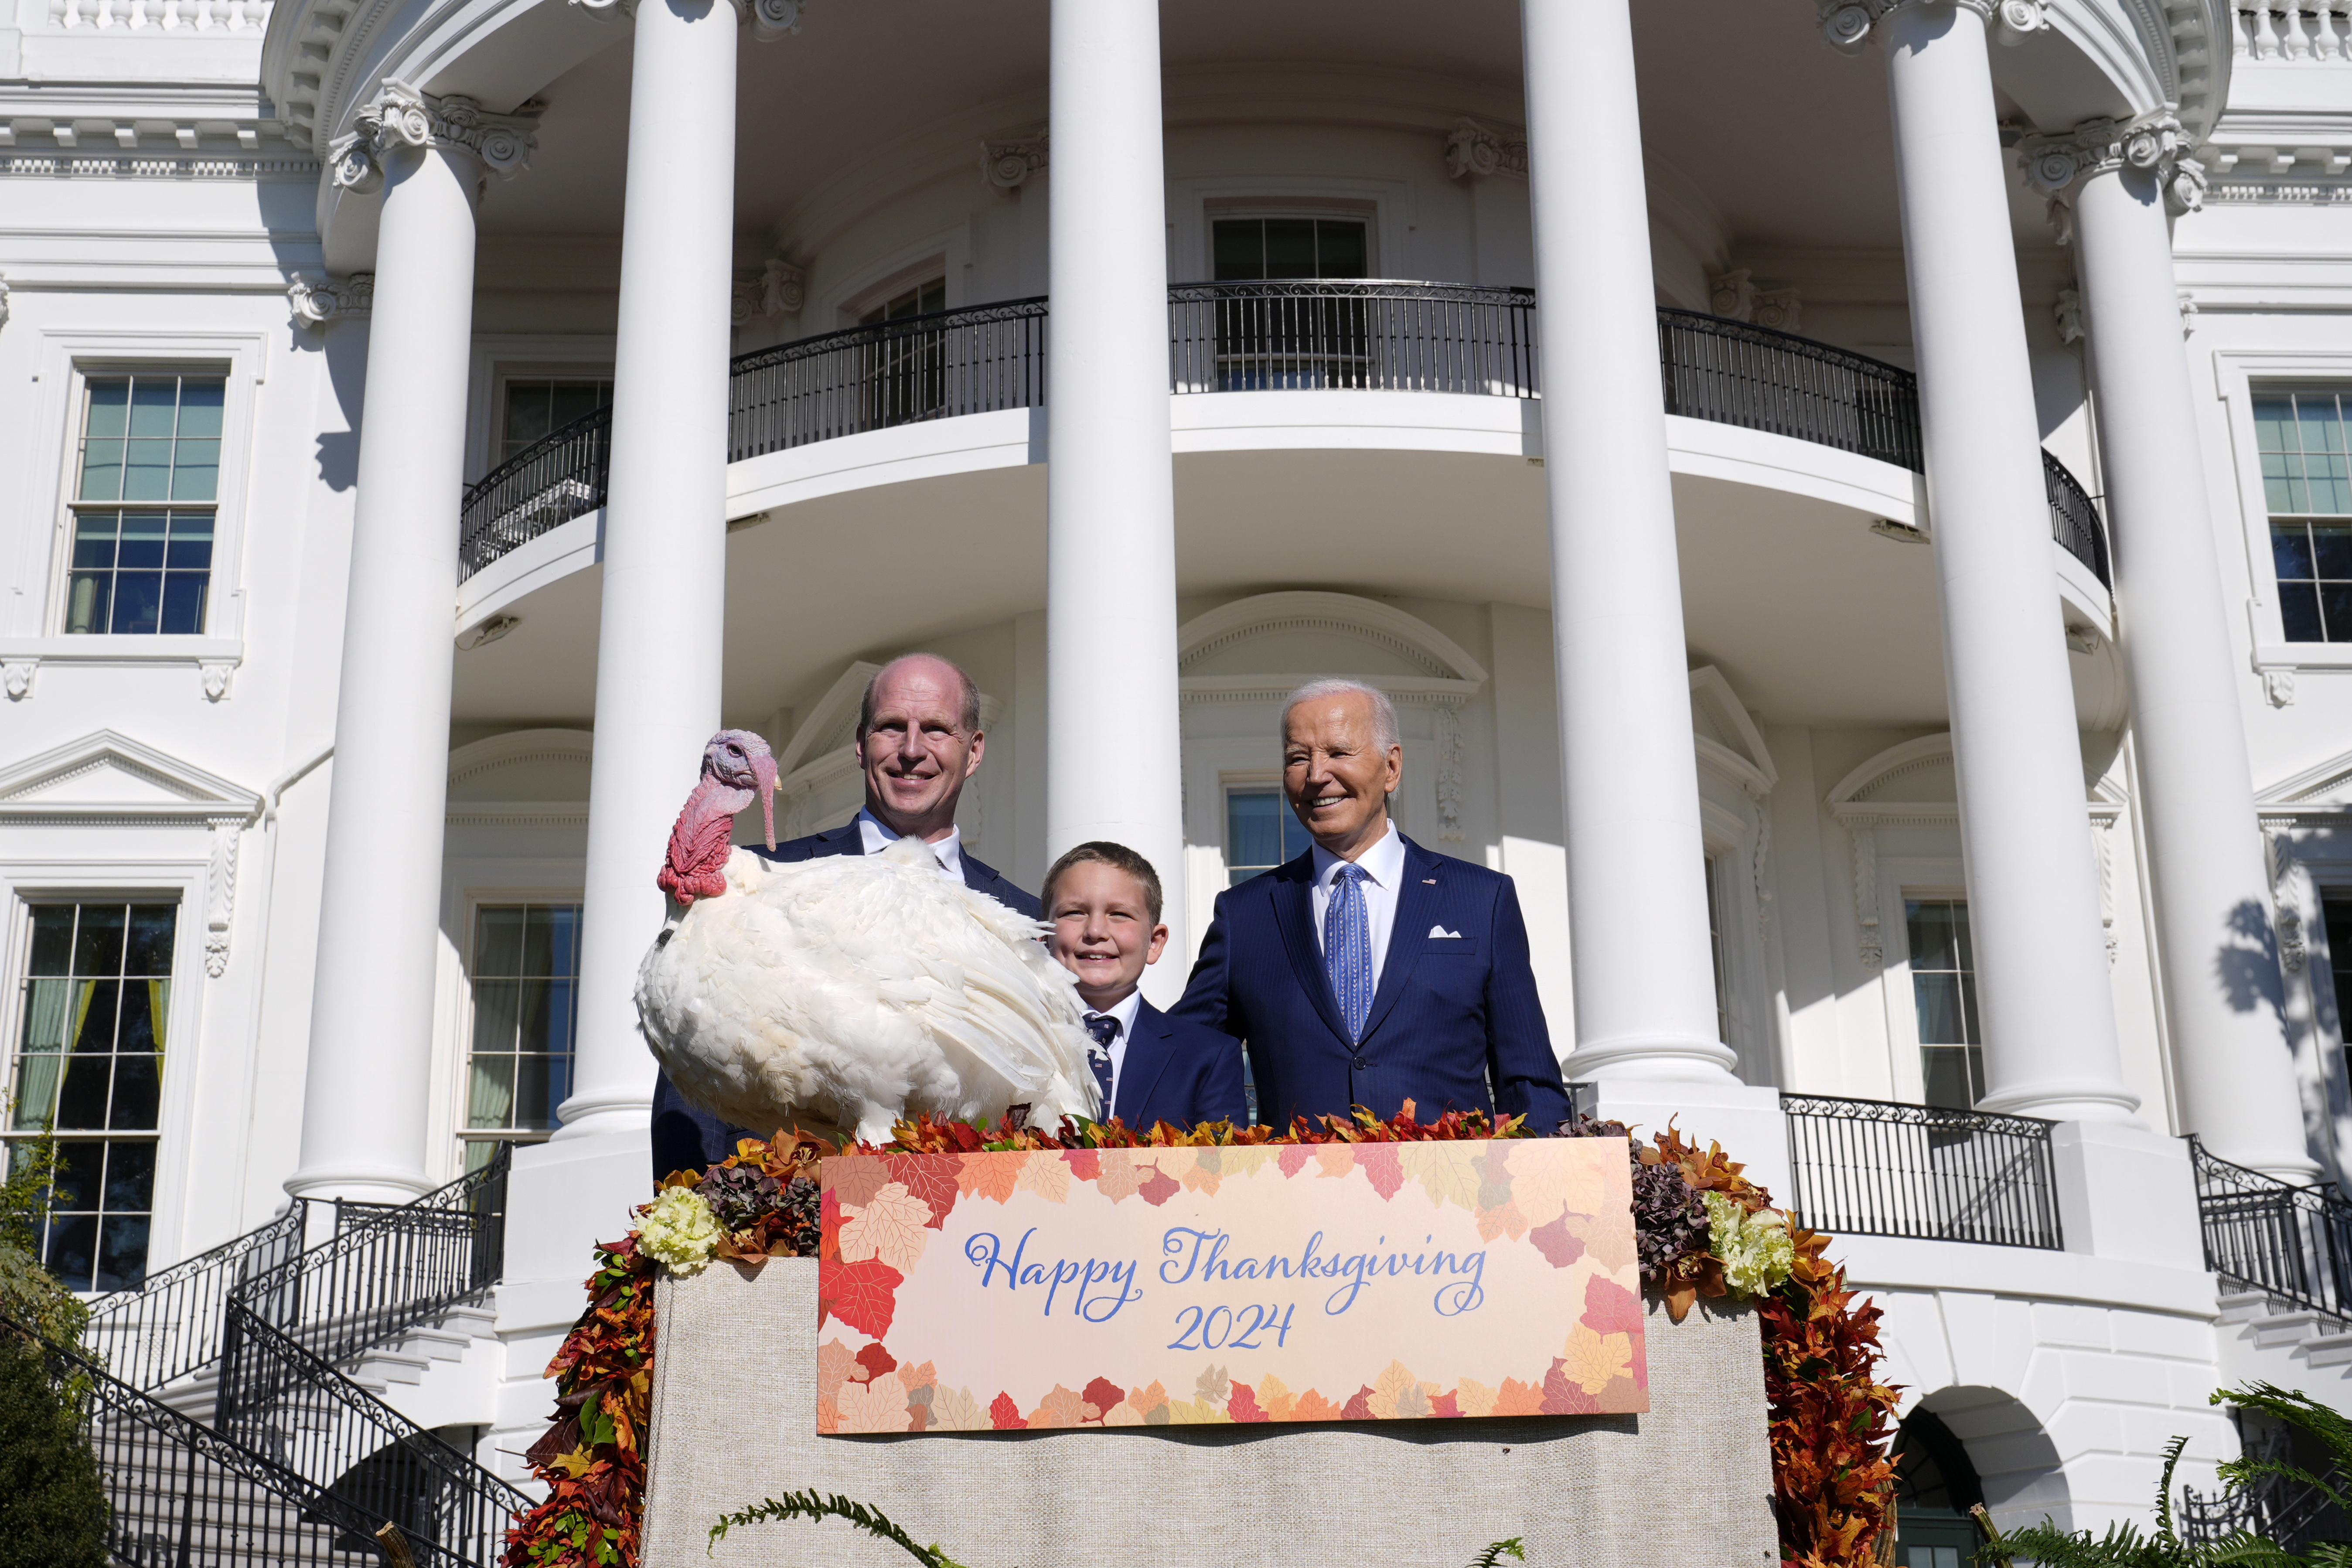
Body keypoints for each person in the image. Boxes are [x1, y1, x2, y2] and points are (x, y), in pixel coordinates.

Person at [649, 652, 1039, 1182]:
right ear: (861, 745)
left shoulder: (1022, 918)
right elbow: (692, 1046)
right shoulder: (761, 876)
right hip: (778, 1235)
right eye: (891, 727)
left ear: (974, 752)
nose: (911, 750)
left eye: (937, 730)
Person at [1173, 677, 1573, 1130]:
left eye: (1339, 752)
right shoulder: (1245, 915)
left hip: (1454, 1194)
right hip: (1294, 1195)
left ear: (1392, 768)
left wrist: (1541, 1191)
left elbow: (1529, 1083)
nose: (1317, 774)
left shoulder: (1483, 899)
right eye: (1297, 758)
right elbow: (1182, 1063)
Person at [1042, 842, 1247, 1131]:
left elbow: (1223, 1171)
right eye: (1074, 912)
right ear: (1045, 938)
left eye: (1119, 914)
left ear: (1154, 943)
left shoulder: (1207, 1057)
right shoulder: (1008, 1046)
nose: (1095, 931)